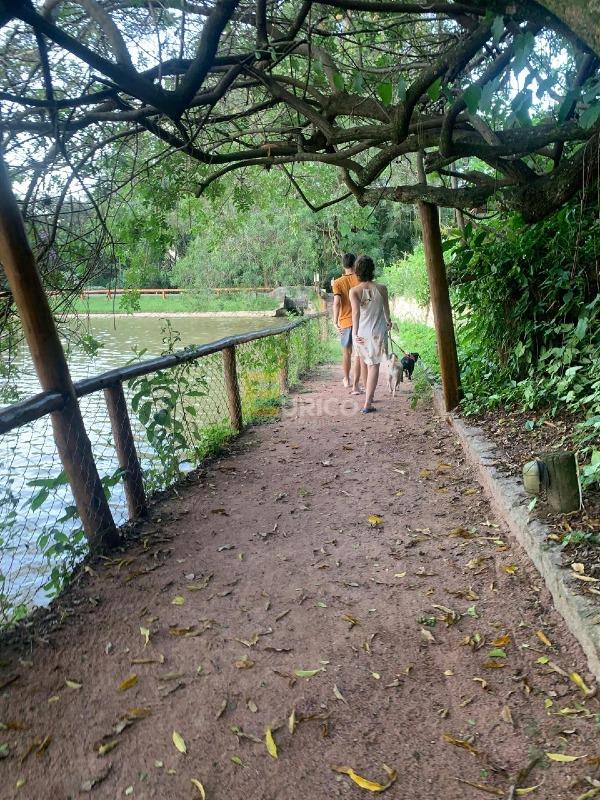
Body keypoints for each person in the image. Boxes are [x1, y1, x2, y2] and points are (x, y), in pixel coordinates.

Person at [349, 255, 392, 413]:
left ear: (357, 271)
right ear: (372, 269)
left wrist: (354, 334)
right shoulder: (382, 288)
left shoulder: (354, 291)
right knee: (374, 365)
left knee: (366, 363)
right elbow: (386, 310)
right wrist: (389, 321)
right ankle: (368, 403)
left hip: (362, 332)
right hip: (378, 331)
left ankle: (369, 397)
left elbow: (355, 315)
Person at [331, 253, 364, 391]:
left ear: (343, 265)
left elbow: (337, 303)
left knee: (346, 353)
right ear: (355, 264)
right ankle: (357, 383)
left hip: (345, 322)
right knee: (359, 353)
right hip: (361, 321)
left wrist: (335, 321)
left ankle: (346, 379)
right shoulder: (360, 279)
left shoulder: (337, 283)